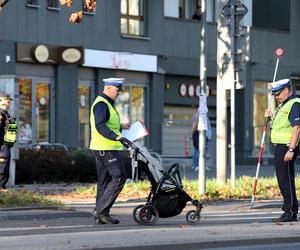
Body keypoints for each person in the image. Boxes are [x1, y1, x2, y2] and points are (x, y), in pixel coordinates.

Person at [89, 77, 130, 224]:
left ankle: (100, 214)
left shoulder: (106, 103)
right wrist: (115, 137)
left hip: (101, 147)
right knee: (119, 177)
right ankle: (101, 210)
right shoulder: (102, 104)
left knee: (105, 181)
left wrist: (121, 127)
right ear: (108, 88)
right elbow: (100, 126)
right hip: (106, 147)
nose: (118, 93)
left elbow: (107, 123)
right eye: (117, 90)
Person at [265, 78, 300, 223]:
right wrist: (270, 118)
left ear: (286, 90)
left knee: (285, 180)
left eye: (278, 94)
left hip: (287, 146)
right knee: (285, 179)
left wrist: (291, 149)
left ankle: (290, 211)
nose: (277, 97)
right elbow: (280, 126)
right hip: (281, 146)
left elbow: (297, 127)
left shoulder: (294, 103)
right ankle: (290, 210)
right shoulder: (283, 105)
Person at [0, 93, 17, 189]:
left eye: (9, 100)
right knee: (2, 166)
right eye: (6, 100)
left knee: (5, 166)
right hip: (2, 146)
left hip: (6, 145)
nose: (8, 102)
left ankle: (2, 186)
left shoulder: (6, 114)